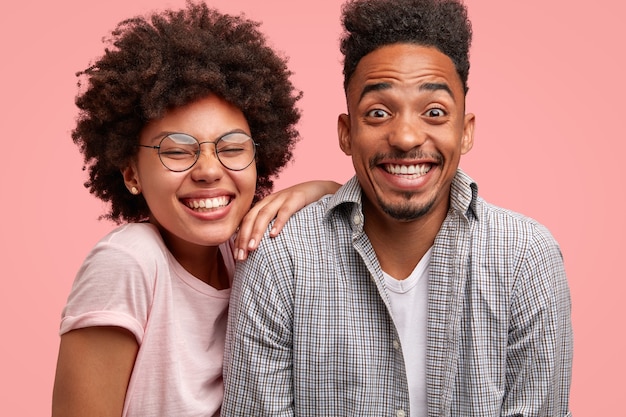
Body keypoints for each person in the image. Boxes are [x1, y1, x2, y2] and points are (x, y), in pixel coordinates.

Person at [221, 0, 573, 415]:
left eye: (435, 112)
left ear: (465, 132)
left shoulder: (526, 260)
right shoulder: (280, 260)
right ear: (347, 133)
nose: (406, 136)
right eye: (379, 112)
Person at [51, 3, 339, 416]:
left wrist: (319, 190)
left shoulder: (247, 251)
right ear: (131, 173)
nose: (208, 170)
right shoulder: (128, 263)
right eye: (176, 151)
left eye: (233, 148)